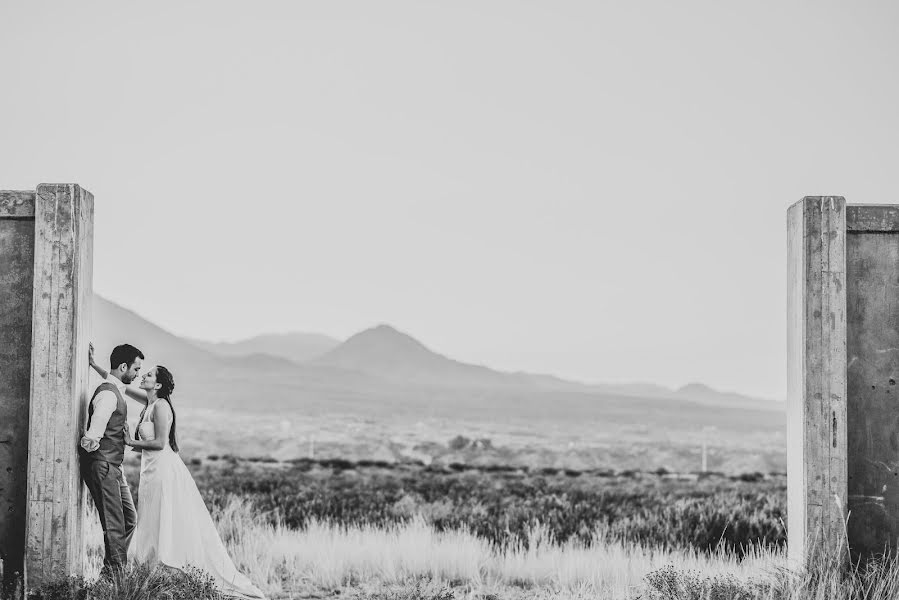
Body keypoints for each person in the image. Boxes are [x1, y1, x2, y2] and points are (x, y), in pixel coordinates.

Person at [88, 346, 266, 599]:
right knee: (149, 516)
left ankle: (166, 563)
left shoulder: (160, 406)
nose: (143, 376)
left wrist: (131, 442)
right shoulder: (148, 402)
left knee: (163, 514)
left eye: (148, 375)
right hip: (149, 470)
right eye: (142, 371)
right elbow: (118, 382)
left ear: (158, 385)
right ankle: (151, 567)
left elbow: (160, 443)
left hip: (162, 468)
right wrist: (94, 365)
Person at [80, 343, 145, 572]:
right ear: (124, 366)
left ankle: (111, 571)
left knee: (129, 519)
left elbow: (112, 378)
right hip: (104, 465)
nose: (138, 375)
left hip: (114, 467)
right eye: (136, 369)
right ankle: (114, 580)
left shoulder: (115, 388)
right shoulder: (108, 394)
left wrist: (93, 364)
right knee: (115, 524)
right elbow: (93, 435)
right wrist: (95, 456)